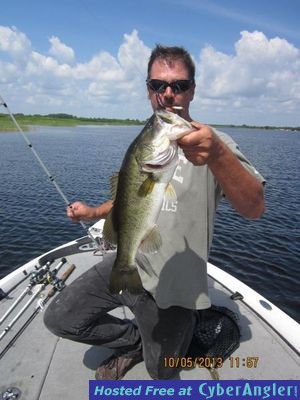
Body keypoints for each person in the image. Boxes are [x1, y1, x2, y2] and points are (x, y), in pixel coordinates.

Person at [44, 45, 265, 380]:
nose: (168, 94)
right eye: (158, 85)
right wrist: (92, 212)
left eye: (179, 85)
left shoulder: (217, 145)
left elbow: (254, 208)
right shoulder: (148, 141)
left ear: (193, 89)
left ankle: (154, 346)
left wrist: (218, 154)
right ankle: (134, 340)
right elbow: (130, 201)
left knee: (161, 372)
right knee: (59, 318)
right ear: (148, 89)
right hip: (132, 263)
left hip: (177, 289)